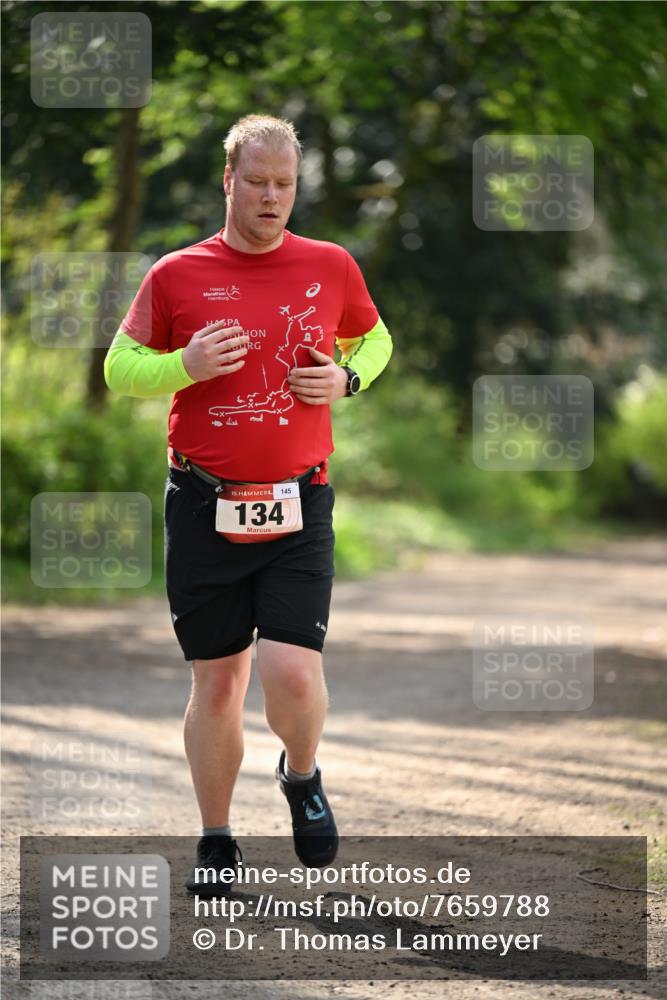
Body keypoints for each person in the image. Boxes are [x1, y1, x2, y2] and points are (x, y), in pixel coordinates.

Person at [104, 114, 392, 891]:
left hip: (301, 504)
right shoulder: (175, 274)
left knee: (291, 672)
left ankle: (301, 776)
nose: (271, 197)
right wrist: (184, 365)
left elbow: (374, 341)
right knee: (219, 683)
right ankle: (217, 838)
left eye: (284, 184)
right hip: (202, 504)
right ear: (227, 180)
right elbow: (119, 370)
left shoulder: (330, 265)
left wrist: (348, 379)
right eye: (257, 182)